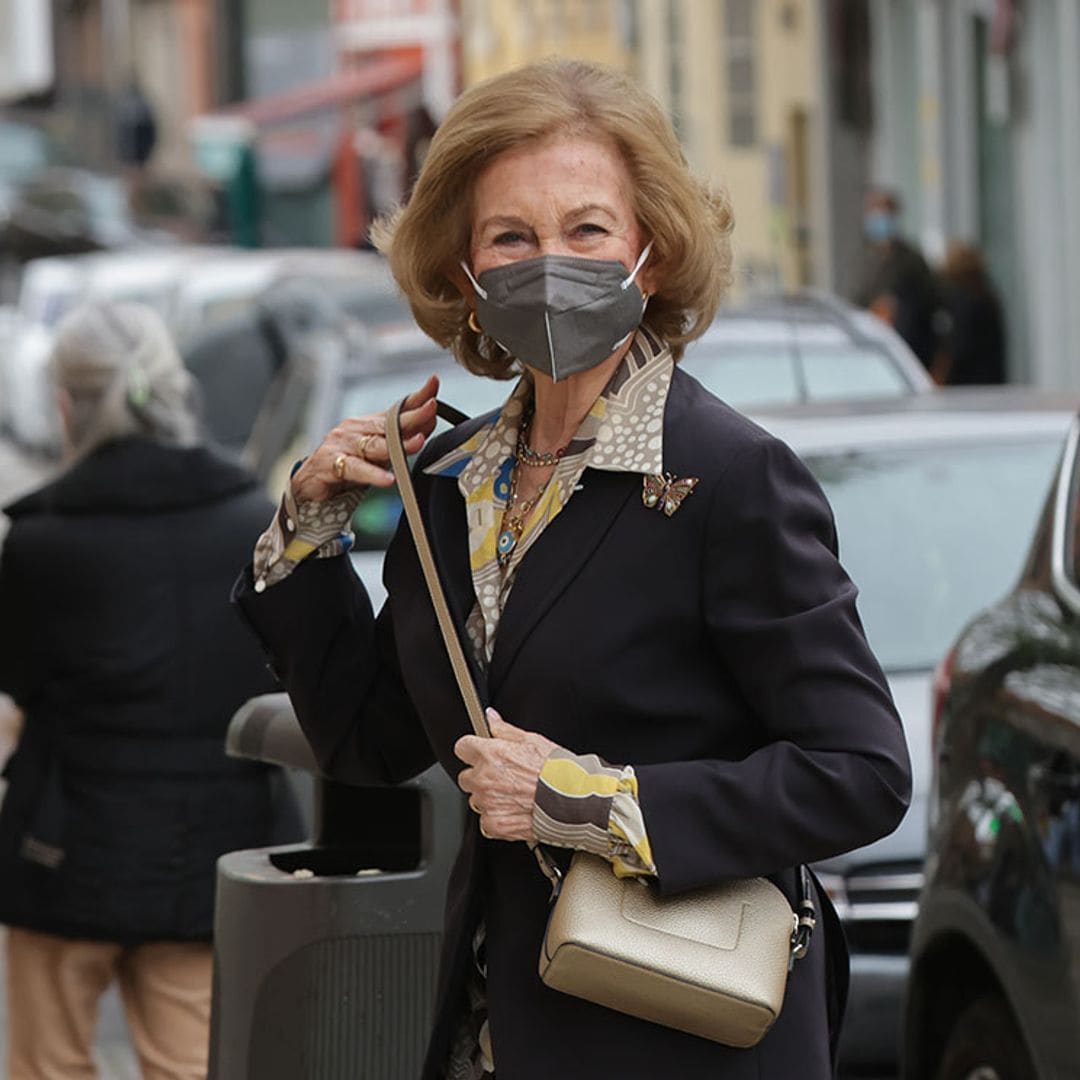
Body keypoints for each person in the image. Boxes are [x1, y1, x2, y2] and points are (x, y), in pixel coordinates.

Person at [234, 59, 911, 1079]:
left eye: (587, 229)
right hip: (496, 1032)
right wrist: (307, 528)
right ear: (464, 270)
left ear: (651, 252)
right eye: (511, 237)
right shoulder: (454, 482)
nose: (549, 264)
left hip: (681, 1035)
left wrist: (582, 802)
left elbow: (861, 773)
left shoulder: (728, 478)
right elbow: (368, 741)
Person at [0, 301, 302, 1080]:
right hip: (209, 853)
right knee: (190, 1066)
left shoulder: (39, 541)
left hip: (63, 848)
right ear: (177, 390)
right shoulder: (252, 519)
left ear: (65, 405)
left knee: (47, 1068)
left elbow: (20, 680)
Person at [856, 188, 941, 371]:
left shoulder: (911, 261)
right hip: (876, 355)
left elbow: (927, 306)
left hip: (909, 355)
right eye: (873, 211)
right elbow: (859, 301)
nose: (878, 219)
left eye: (883, 212)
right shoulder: (869, 260)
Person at [934, 240, 1007, 386]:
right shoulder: (986, 297)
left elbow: (958, 347)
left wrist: (940, 374)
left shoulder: (965, 302)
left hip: (968, 384)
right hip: (990, 380)